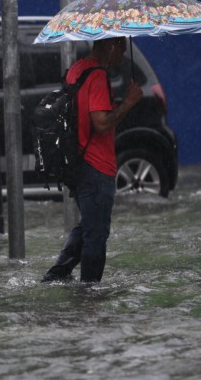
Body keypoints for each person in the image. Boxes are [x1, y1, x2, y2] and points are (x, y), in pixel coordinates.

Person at [41, 36, 143, 283]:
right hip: (97, 165)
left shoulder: (77, 69)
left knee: (88, 225)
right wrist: (129, 102)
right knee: (96, 234)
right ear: (108, 44)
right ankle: (89, 295)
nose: (122, 52)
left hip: (77, 161)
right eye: (120, 45)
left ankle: (56, 275)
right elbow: (101, 122)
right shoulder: (97, 75)